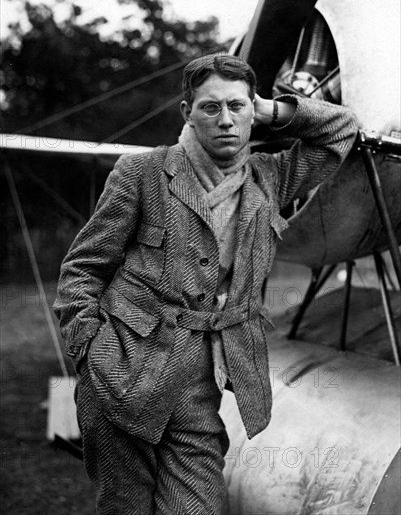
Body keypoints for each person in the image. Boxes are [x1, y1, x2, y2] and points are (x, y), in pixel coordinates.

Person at [54, 54, 358, 514]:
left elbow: (341, 131)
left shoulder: (270, 177)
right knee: (125, 507)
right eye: (210, 108)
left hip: (201, 384)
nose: (226, 120)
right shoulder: (144, 173)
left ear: (251, 110)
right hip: (122, 370)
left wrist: (276, 109)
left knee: (198, 505)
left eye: (238, 106)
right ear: (187, 113)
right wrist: (89, 350)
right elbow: (83, 267)